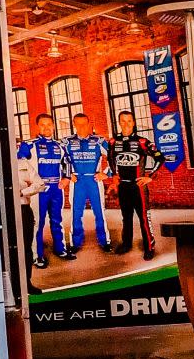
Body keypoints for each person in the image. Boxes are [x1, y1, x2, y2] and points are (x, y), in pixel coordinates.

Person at [17, 114, 68, 266]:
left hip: (56, 189)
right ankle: (36, 255)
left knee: (57, 220)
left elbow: (67, 162)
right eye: (42, 125)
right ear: (37, 127)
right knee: (37, 223)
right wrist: (24, 184)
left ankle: (61, 249)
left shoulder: (60, 145)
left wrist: (65, 178)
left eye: (49, 124)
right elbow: (18, 163)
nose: (46, 128)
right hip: (39, 192)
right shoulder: (29, 145)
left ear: (53, 125)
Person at [108, 109, 159, 260]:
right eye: (123, 121)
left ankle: (149, 246)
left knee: (143, 217)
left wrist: (150, 177)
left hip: (139, 187)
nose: (126, 124)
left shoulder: (142, 142)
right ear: (119, 123)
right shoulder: (113, 142)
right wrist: (114, 174)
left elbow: (159, 158)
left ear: (133, 123)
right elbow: (110, 159)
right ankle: (126, 244)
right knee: (126, 216)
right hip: (123, 186)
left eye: (129, 121)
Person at [65, 113, 112, 254]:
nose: (81, 127)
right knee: (76, 212)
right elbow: (61, 160)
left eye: (84, 124)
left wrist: (106, 173)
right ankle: (75, 242)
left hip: (94, 180)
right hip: (77, 181)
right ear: (74, 124)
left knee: (99, 212)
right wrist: (67, 174)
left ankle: (105, 241)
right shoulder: (67, 142)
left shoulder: (99, 141)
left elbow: (113, 156)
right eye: (78, 124)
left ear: (89, 123)